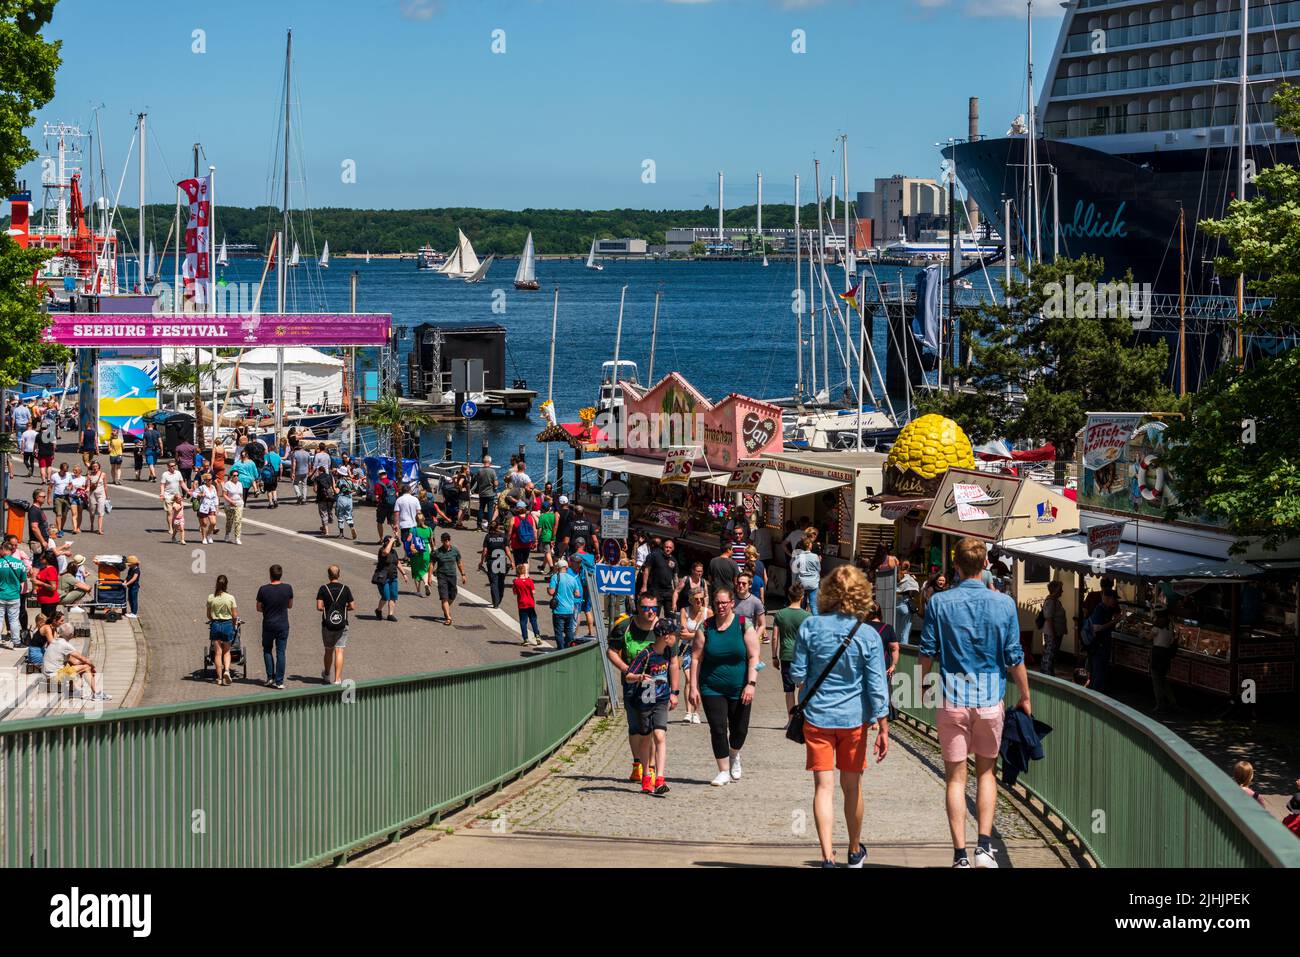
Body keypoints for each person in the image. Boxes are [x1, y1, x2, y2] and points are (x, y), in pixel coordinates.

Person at [919, 537, 1031, 869]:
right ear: (985, 565)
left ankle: (959, 856)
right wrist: (1025, 696)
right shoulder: (1005, 604)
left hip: (953, 699)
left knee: (955, 778)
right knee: (986, 774)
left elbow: (927, 651)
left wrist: (923, 685)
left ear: (955, 565)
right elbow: (1014, 657)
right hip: (988, 701)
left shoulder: (940, 603)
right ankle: (984, 847)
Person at [790, 565, 890, 868]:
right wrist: (883, 726)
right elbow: (876, 685)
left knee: (823, 787)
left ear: (827, 593)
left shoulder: (810, 626)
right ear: (861, 594)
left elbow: (797, 675)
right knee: (852, 786)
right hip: (854, 720)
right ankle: (854, 849)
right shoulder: (869, 634)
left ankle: (826, 856)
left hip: (817, 717)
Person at [689, 586, 761, 787]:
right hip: (711, 687)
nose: (720, 606)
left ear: (732, 604)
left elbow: (754, 656)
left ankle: (734, 753)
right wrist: (693, 687)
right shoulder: (705, 627)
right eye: (717, 603)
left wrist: (751, 684)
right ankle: (723, 771)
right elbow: (695, 658)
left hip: (740, 687)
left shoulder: (743, 625)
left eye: (724, 603)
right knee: (718, 728)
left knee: (740, 730)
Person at [607, 593, 670, 783]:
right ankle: (637, 765)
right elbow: (611, 651)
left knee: (652, 729)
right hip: (633, 685)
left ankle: (649, 768)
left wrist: (674, 690)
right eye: (645, 608)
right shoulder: (625, 627)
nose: (649, 612)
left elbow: (672, 656)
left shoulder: (662, 627)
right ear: (638, 608)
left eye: (653, 608)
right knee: (636, 727)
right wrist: (627, 669)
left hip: (655, 688)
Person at [41, 609, 111, 701]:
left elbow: (75, 661)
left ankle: (75, 690)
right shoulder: (65, 645)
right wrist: (92, 667)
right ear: (71, 634)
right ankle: (97, 694)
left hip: (48, 674)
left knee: (73, 665)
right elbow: (84, 659)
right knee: (86, 667)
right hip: (54, 676)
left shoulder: (56, 642)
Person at [773, 581, 810, 716]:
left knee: (788, 689)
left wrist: (774, 656)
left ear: (789, 597)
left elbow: (775, 637)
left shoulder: (780, 614)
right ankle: (800, 716)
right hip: (802, 656)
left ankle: (790, 719)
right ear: (802, 597)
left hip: (786, 655)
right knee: (802, 686)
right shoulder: (807, 616)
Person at [256, 564, 294, 689]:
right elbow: (290, 605)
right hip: (283, 624)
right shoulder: (288, 588)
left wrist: (267, 609)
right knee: (281, 652)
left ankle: (270, 677)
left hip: (268, 623)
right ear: (281, 574)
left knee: (267, 649)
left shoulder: (263, 589)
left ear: (270, 575)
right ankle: (279, 681)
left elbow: (258, 608)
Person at [317, 565, 356, 684]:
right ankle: (338, 679)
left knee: (328, 650)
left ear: (329, 575)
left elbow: (319, 607)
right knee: (339, 650)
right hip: (342, 623)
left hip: (327, 624)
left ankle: (327, 674)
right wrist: (343, 609)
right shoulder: (345, 588)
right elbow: (352, 606)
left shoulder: (323, 589)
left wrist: (329, 609)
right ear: (339, 574)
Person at [676, 586, 709, 724]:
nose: (699, 602)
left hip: (702, 650)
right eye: (696, 599)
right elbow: (683, 633)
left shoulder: (709, 613)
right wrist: (698, 635)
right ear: (690, 600)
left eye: (701, 599)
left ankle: (696, 712)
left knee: (698, 681)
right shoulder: (685, 611)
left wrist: (692, 635)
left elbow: (710, 634)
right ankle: (688, 712)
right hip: (687, 649)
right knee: (689, 679)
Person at [1082, 588, 1120, 693]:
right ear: (1108, 598)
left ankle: (1096, 693)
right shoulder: (1100, 609)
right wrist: (1114, 622)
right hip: (1098, 646)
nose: (1116, 602)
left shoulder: (1107, 609)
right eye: (1114, 599)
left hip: (1102, 646)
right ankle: (1095, 695)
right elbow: (1096, 628)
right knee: (1097, 672)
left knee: (1100, 672)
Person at [206, 574, 238, 686]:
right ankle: (227, 671)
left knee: (218, 653)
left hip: (215, 624)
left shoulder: (211, 597)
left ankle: (219, 678)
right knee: (227, 651)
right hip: (227, 624)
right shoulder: (230, 598)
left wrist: (214, 619)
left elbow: (208, 615)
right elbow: (234, 615)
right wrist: (234, 625)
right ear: (226, 584)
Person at [547, 555, 584, 649]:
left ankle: (561, 649)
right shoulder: (572, 578)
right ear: (567, 567)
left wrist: (548, 589)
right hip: (569, 610)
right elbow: (577, 594)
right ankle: (569, 648)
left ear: (557, 568)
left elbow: (551, 592)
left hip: (559, 610)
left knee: (558, 632)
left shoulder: (555, 577)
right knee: (569, 631)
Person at [1147, 608, 1178, 715]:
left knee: (1156, 681)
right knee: (1163, 680)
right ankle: (1173, 701)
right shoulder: (1169, 630)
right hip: (1166, 656)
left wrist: (1140, 631)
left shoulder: (1156, 628)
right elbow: (1170, 642)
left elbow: (1148, 637)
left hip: (1157, 655)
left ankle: (1160, 704)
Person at [432, 532, 467, 626]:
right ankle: (448, 617)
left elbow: (459, 563)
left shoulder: (455, 550)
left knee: (453, 595)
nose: (446, 542)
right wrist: (429, 578)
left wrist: (463, 574)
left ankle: (445, 608)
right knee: (444, 597)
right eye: (445, 541)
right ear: (442, 541)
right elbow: (432, 564)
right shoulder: (437, 552)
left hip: (452, 576)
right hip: (441, 576)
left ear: (450, 540)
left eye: (448, 540)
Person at [0, 539, 28, 649]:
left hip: (1, 594)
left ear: (4, 550)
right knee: (14, 620)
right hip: (14, 596)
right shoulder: (20, 564)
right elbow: (23, 579)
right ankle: (16, 641)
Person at [641, 537, 679, 615]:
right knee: (655, 614)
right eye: (666, 547)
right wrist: (644, 586)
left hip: (668, 591)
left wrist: (676, 591)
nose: (668, 549)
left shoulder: (674, 560)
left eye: (670, 547)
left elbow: (675, 577)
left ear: (673, 549)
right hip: (655, 590)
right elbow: (647, 570)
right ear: (663, 547)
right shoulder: (655, 556)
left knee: (670, 615)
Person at [373, 535, 407, 621]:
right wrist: (391, 541)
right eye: (390, 541)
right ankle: (378, 610)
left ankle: (390, 614)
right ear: (386, 542)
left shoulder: (394, 552)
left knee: (393, 596)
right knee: (385, 596)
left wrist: (404, 574)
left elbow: (397, 562)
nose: (393, 543)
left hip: (393, 577)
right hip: (383, 577)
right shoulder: (382, 550)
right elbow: (386, 552)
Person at [1038, 580, 1068, 676]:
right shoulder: (1051, 601)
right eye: (1061, 589)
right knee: (1049, 654)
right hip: (1052, 633)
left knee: (1051, 653)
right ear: (1056, 590)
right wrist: (1053, 633)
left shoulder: (1055, 601)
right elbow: (1049, 618)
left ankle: (1049, 672)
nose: (1062, 591)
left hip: (1055, 632)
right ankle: (1046, 674)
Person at [480, 520, 510, 608]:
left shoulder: (488, 537)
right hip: (501, 560)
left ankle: (495, 602)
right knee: (501, 581)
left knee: (494, 582)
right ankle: (499, 597)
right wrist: (511, 561)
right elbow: (507, 550)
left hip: (492, 561)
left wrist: (481, 561)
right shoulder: (503, 536)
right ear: (498, 527)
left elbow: (485, 551)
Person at [512, 563, 543, 647]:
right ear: (525, 571)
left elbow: (515, 593)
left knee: (523, 622)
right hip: (530, 603)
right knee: (533, 620)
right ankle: (537, 636)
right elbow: (533, 592)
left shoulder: (516, 581)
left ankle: (525, 639)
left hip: (522, 604)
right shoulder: (530, 581)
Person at [790, 536, 822, 614]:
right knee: (813, 605)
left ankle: (800, 620)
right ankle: (815, 623)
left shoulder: (799, 557)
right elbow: (819, 569)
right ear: (810, 545)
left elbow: (794, 569)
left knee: (801, 604)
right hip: (813, 583)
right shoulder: (815, 556)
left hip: (802, 582)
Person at [732, 572, 766, 641]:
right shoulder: (730, 600)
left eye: (744, 583)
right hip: (732, 638)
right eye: (739, 583)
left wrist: (755, 638)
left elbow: (762, 624)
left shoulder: (756, 602)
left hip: (748, 639)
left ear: (750, 585)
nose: (741, 585)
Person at [407, 511, 434, 596]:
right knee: (424, 570)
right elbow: (432, 542)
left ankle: (418, 591)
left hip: (416, 552)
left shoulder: (413, 529)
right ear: (424, 519)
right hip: (426, 551)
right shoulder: (429, 529)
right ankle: (426, 584)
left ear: (416, 520)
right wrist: (433, 550)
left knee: (416, 570)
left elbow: (408, 540)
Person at [895, 560, 920, 646]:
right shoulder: (909, 578)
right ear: (908, 568)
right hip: (905, 605)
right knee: (905, 630)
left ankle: (895, 647)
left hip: (895, 605)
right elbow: (915, 591)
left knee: (896, 629)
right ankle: (903, 649)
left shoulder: (895, 576)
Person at [508, 501, 537, 570]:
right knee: (525, 560)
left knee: (518, 561)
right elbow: (534, 530)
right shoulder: (530, 518)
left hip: (516, 543)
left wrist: (508, 541)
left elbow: (509, 533)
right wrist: (535, 540)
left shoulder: (514, 519)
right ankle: (526, 575)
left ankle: (520, 576)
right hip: (528, 542)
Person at [473, 455, 499, 530]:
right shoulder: (492, 471)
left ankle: (478, 525)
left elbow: (477, 480)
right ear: (490, 462)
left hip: (482, 493)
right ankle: (489, 525)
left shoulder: (479, 471)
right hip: (490, 493)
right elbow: (495, 483)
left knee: (481, 508)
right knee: (490, 510)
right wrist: (496, 485)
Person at [221, 468, 245, 545]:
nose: (236, 477)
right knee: (230, 521)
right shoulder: (227, 484)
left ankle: (237, 538)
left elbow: (241, 494)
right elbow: (224, 494)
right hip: (229, 504)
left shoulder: (240, 484)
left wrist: (240, 501)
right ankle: (227, 534)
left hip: (239, 504)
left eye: (237, 475)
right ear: (231, 476)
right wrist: (231, 501)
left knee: (238, 520)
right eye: (234, 475)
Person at [195, 472, 220, 544]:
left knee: (213, 522)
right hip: (203, 507)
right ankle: (204, 538)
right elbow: (194, 494)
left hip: (211, 507)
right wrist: (200, 494)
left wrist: (217, 507)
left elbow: (215, 498)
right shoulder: (202, 487)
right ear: (205, 480)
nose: (210, 481)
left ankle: (208, 535)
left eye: (211, 479)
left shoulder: (213, 487)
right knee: (204, 524)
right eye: (208, 480)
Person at [394, 482, 421, 549]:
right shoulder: (415, 499)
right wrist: (420, 523)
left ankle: (407, 555)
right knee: (414, 540)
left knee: (405, 540)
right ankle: (413, 554)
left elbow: (396, 513)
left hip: (404, 524)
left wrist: (395, 524)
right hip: (414, 524)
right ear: (410, 490)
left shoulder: (399, 500)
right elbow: (419, 512)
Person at [313, 465, 338, 536]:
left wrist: (318, 491)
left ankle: (326, 531)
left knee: (323, 513)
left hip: (321, 498)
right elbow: (334, 486)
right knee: (329, 511)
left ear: (319, 471)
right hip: (330, 497)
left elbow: (315, 490)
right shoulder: (330, 476)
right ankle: (325, 525)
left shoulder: (317, 478)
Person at [84, 461, 108, 535]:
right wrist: (87, 489)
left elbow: (105, 486)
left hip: (101, 495)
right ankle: (92, 525)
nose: (95, 468)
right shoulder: (89, 475)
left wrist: (107, 497)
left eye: (96, 466)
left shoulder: (103, 474)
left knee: (101, 512)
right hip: (92, 495)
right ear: (92, 467)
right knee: (92, 512)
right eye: (93, 466)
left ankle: (100, 529)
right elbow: (87, 486)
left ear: (99, 467)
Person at [536, 501, 557, 574]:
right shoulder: (554, 516)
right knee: (547, 552)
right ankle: (543, 566)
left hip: (545, 536)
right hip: (553, 536)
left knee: (547, 552)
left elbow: (539, 529)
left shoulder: (542, 516)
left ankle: (551, 568)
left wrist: (537, 538)